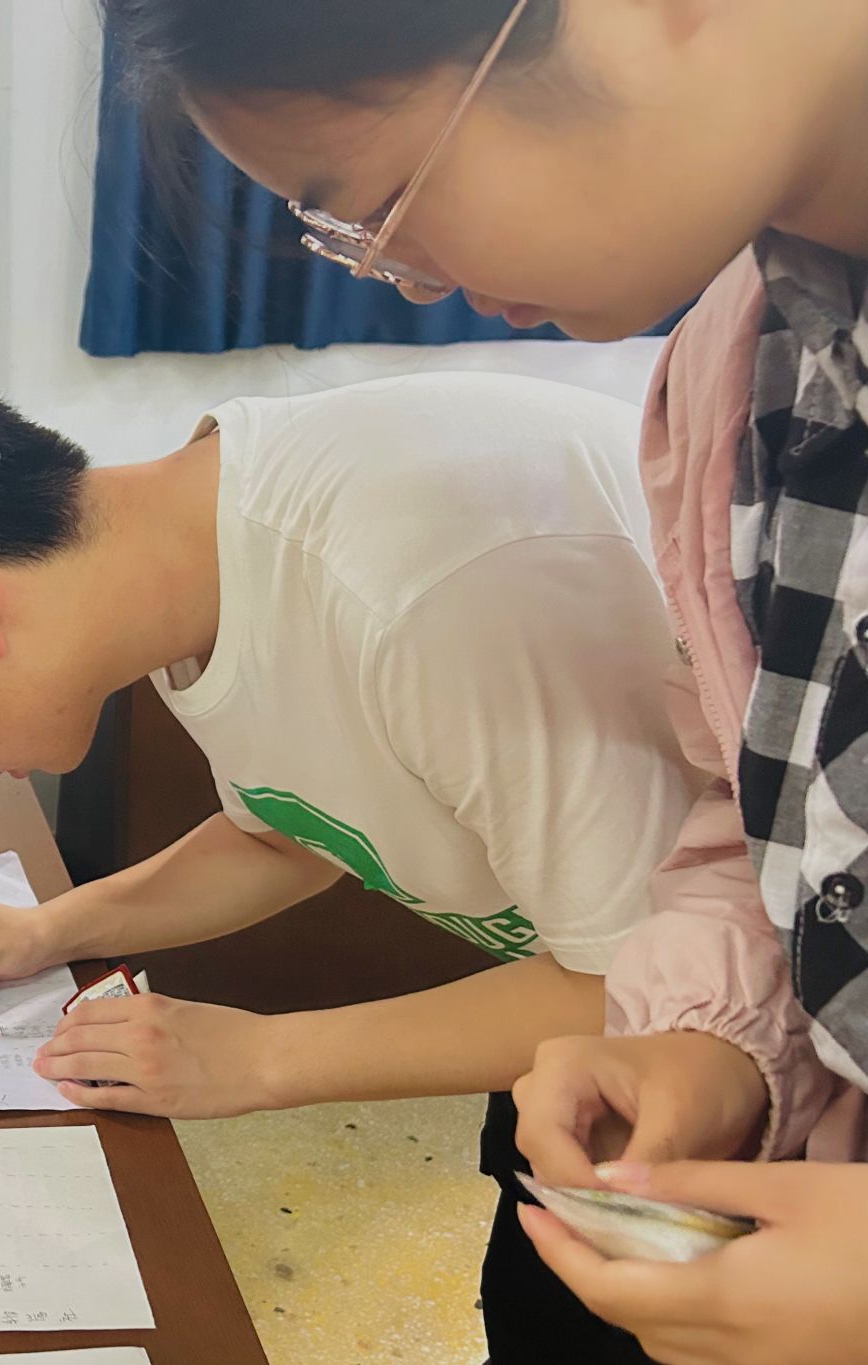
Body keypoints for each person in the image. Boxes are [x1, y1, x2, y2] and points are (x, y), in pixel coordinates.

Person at [96, 1, 868, 1361]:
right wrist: (708, 1043)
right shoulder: (736, 372)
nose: (408, 281)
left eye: (382, 204)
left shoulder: (422, 584)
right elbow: (773, 825)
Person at [0, 363, 702, 1360]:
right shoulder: (196, 563)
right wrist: (45, 931)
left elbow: (656, 993)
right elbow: (287, 831)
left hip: (745, 1084)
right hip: (586, 1051)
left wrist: (261, 1059)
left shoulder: (423, 589)